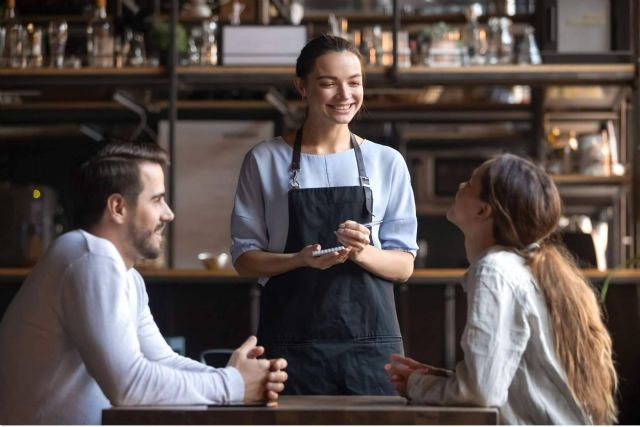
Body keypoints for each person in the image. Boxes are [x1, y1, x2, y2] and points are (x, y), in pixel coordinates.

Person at [0, 142, 287, 424]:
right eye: (157, 199)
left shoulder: (125, 274)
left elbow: (162, 360)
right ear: (118, 207)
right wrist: (234, 385)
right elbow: (129, 385)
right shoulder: (89, 256)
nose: (168, 213)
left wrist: (235, 376)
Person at [231, 34, 418, 395]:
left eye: (354, 82)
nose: (345, 95)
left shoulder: (387, 162)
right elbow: (244, 258)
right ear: (302, 87)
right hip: (290, 347)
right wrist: (298, 260)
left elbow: (404, 265)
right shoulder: (265, 160)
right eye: (328, 83)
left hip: (370, 348)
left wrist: (364, 252)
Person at [385, 154, 618, 424]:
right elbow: (504, 384)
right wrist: (441, 379)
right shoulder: (517, 267)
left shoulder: (493, 271)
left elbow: (480, 394)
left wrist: (417, 385)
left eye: (470, 184)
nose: (461, 185)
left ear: (483, 211)